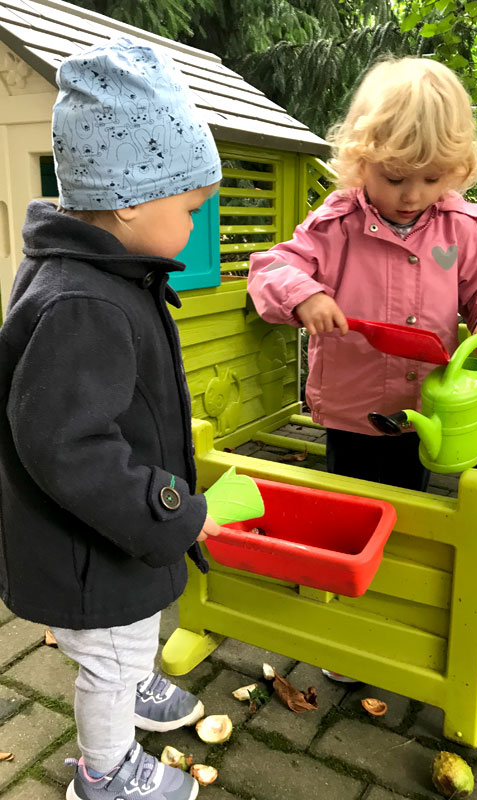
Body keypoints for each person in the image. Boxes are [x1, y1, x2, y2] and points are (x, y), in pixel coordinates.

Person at [0, 37, 224, 800]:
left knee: (133, 630)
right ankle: (105, 773)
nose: (195, 227)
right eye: (190, 209)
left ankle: (137, 683)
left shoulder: (108, 270)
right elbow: (67, 446)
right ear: (131, 198)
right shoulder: (83, 301)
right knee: (105, 655)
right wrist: (169, 509)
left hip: (115, 531)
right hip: (85, 542)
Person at [247, 56, 477, 493]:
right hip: (352, 407)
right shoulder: (338, 224)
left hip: (424, 404)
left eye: (432, 178)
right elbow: (273, 267)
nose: (413, 194)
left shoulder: (455, 227)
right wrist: (304, 295)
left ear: (457, 168)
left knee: (409, 497)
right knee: (351, 498)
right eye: (395, 177)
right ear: (362, 162)